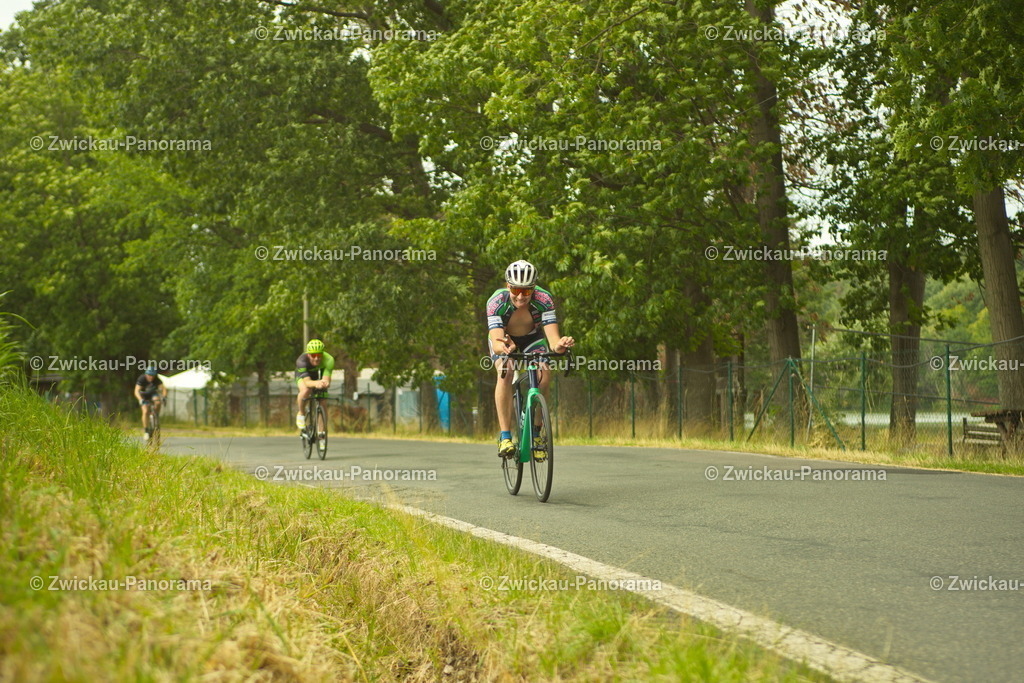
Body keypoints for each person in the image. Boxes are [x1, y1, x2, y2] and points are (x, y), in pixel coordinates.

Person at [486, 260, 574, 457]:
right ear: (508, 286)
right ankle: (505, 437)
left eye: (526, 292)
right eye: (516, 290)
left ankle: (536, 433)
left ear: (533, 289)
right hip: (505, 339)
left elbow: (553, 340)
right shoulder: (496, 302)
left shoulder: (544, 299)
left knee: (543, 374)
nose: (520, 296)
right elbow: (497, 340)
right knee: (506, 371)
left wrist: (559, 346)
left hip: (533, 338)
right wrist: (504, 348)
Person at [295, 339, 335, 429]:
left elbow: (326, 379)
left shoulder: (329, 360)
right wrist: (316, 383)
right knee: (306, 390)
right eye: (313, 355)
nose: (316, 358)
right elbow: (307, 382)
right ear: (308, 354)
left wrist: (325, 383)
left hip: (317, 375)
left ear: (323, 354)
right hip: (304, 376)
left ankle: (321, 432)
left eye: (319, 355)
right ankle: (301, 413)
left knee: (323, 401)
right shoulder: (301, 361)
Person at [134, 364, 166, 441]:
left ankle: (156, 414)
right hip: (144, 395)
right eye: (149, 375)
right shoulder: (142, 379)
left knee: (158, 401)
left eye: (153, 375)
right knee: (145, 411)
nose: (151, 377)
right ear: (146, 374)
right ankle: (146, 430)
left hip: (153, 394)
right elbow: (136, 391)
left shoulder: (157, 380)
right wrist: (140, 399)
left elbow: (164, 389)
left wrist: (164, 397)